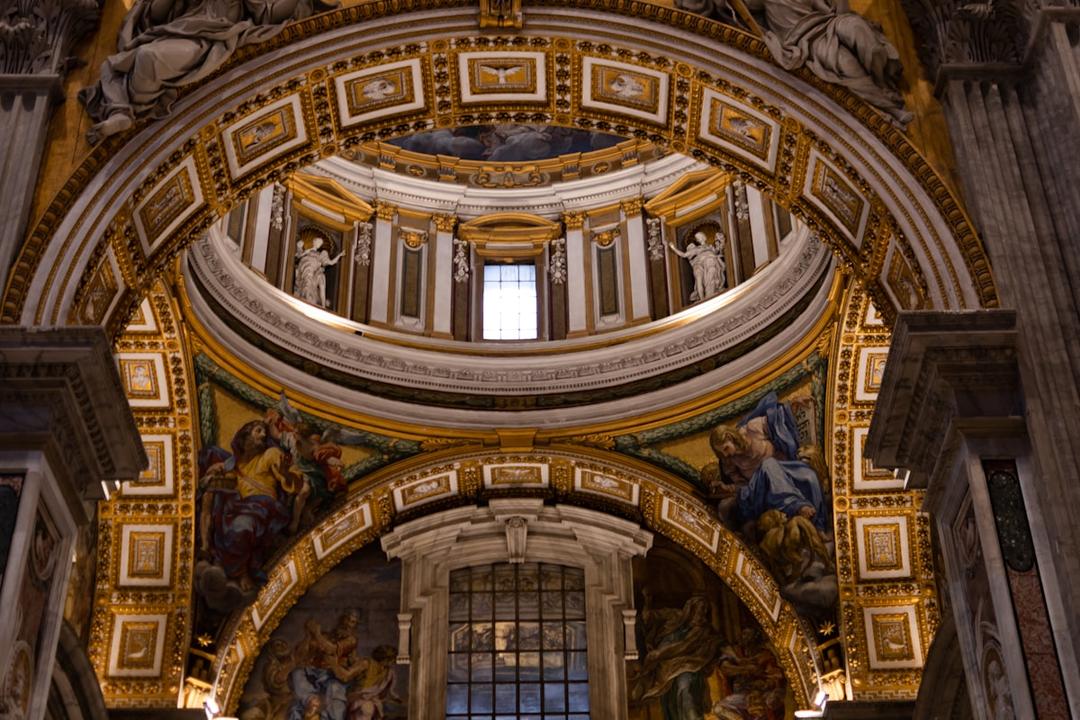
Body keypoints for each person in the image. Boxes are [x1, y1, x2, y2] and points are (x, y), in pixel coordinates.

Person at [80, 0, 338, 144]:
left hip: (213, 35)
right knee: (131, 59)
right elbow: (154, 14)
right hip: (178, 29)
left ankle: (132, 108)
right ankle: (122, 110)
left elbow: (268, 13)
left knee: (149, 58)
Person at [673, 0, 911, 125]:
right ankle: (888, 110)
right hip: (802, 40)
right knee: (847, 65)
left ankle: (886, 85)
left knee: (860, 30)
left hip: (826, 24)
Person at [200, 420, 309, 591]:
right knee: (226, 510)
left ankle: (240, 571)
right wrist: (213, 472)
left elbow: (293, 483)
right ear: (245, 437)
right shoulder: (236, 466)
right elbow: (225, 479)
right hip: (243, 508)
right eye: (258, 431)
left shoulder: (270, 454)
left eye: (264, 432)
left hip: (266, 508)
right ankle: (224, 558)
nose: (264, 435)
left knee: (243, 524)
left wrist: (286, 473)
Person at [709, 392, 828, 533]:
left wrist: (793, 405)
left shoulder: (752, 429)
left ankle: (819, 527)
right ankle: (797, 506)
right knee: (768, 465)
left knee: (809, 476)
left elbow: (777, 420)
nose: (726, 454)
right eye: (722, 453)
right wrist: (728, 489)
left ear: (730, 436)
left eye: (726, 449)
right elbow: (743, 486)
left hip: (787, 470)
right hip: (761, 489)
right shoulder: (729, 462)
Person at [631, 593, 725, 718]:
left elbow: (686, 646)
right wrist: (647, 603)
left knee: (685, 690)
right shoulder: (676, 617)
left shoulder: (702, 630)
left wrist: (659, 654)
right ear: (691, 608)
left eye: (705, 610)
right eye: (701, 608)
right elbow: (650, 617)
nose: (703, 612)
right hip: (665, 668)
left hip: (689, 665)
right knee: (669, 701)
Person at [669, 231, 727, 302]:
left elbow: (718, 251)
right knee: (704, 276)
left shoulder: (710, 246)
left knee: (712, 272)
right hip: (703, 263)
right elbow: (684, 255)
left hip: (712, 262)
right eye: (697, 238)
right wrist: (673, 248)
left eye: (700, 237)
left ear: (704, 237)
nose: (699, 239)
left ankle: (711, 293)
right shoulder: (696, 249)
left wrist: (720, 241)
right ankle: (706, 297)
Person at [294, 237, 344, 307]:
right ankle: (304, 297)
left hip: (312, 273)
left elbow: (331, 262)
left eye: (320, 243)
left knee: (315, 280)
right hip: (304, 269)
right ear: (314, 242)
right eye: (318, 242)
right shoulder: (308, 251)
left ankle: (317, 303)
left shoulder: (320, 255)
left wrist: (339, 255)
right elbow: (299, 256)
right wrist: (298, 247)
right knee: (306, 282)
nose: (318, 244)